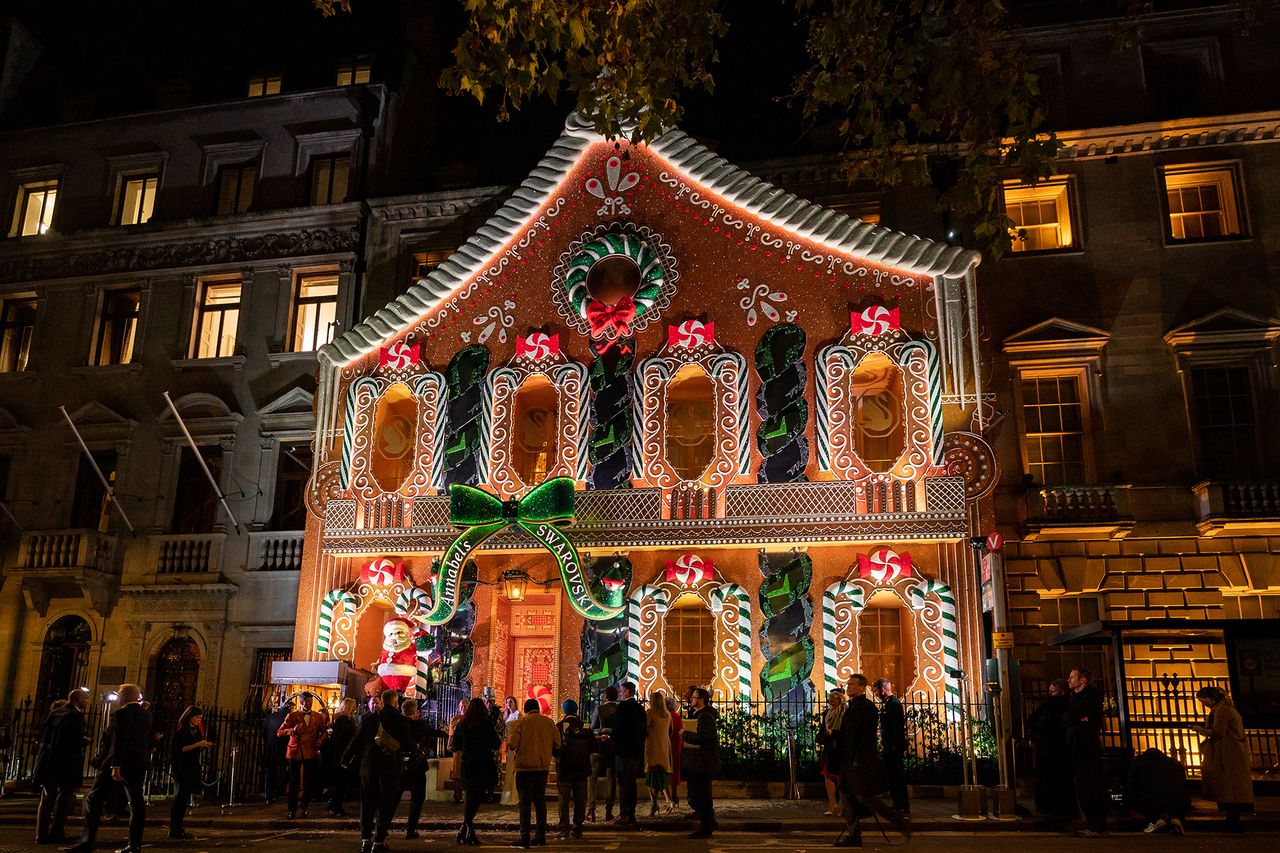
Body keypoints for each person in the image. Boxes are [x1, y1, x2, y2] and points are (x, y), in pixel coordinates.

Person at [66, 683, 152, 853]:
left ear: (126, 696)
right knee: (136, 804)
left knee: (94, 798)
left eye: (120, 694)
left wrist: (116, 766)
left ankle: (87, 841)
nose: (117, 697)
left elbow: (119, 742)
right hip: (138, 763)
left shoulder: (120, 714)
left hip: (118, 763)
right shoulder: (146, 715)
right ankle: (135, 845)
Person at [343, 688, 413, 853]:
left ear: (383, 701)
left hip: (369, 767)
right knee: (385, 804)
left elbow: (357, 739)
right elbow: (407, 742)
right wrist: (416, 749)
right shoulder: (400, 720)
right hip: (390, 767)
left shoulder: (369, 719)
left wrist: (346, 757)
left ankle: (365, 838)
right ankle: (379, 840)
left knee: (367, 804)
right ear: (395, 702)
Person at [1191, 685, 1253, 832]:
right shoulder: (1226, 708)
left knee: (1227, 786)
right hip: (1229, 752)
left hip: (1226, 753)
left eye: (1203, 699)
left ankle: (1233, 821)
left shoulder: (1221, 710)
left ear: (1211, 698)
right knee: (1230, 787)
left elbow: (1218, 731)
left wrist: (1200, 730)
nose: (1203, 703)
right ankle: (1232, 820)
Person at [35, 689, 89, 844]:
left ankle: (41, 834)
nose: (87, 701)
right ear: (78, 699)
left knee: (46, 798)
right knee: (64, 798)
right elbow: (76, 740)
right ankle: (57, 832)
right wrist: (85, 741)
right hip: (67, 762)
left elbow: (44, 735)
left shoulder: (54, 713)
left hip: (49, 760)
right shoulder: (76, 716)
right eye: (85, 698)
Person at [506, 697, 561, 848]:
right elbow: (558, 742)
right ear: (538, 708)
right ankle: (540, 836)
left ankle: (524, 837)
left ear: (525, 709)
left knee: (525, 804)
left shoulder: (521, 722)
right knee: (540, 802)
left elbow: (512, 744)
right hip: (542, 768)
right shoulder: (549, 722)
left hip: (524, 769)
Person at [1064, 667, 1108, 837]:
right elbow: (1067, 717)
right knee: (1082, 786)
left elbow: (1071, 716)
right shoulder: (1074, 697)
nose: (1068, 680)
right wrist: (1076, 719)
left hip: (1086, 746)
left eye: (1072, 677)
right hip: (1076, 745)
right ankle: (1092, 822)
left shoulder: (1090, 697)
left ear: (1083, 680)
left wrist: (1076, 719)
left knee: (1090, 785)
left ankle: (1098, 825)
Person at [453, 697, 501, 845]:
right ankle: (469, 830)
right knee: (476, 797)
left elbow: (456, 744)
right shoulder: (485, 724)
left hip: (468, 764)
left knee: (470, 796)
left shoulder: (462, 724)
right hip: (482, 764)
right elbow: (496, 742)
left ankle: (464, 829)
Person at [1028, 679, 1074, 820]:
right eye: (1050, 691)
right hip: (1047, 746)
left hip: (1055, 747)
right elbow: (1034, 720)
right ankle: (1050, 807)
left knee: (1056, 779)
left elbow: (1046, 722)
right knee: (1049, 779)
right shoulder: (1050, 704)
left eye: (1053, 691)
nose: (1050, 693)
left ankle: (1056, 808)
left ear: (1061, 691)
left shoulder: (1062, 704)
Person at [401, 698, 446, 839]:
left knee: (393, 797)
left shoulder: (399, 724)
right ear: (414, 711)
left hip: (400, 763)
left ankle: (381, 830)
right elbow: (434, 733)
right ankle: (410, 829)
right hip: (417, 764)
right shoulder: (419, 725)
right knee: (418, 797)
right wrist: (445, 731)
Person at [278, 693, 328, 819]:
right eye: (307, 702)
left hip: (310, 751)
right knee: (293, 782)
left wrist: (320, 740)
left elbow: (324, 731)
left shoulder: (317, 716)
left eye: (311, 702)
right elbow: (280, 732)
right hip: (295, 751)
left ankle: (305, 803)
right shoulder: (292, 716)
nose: (309, 704)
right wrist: (292, 730)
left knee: (310, 781)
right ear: (301, 702)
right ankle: (292, 809)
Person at [168, 705, 213, 840]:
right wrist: (197, 745)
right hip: (182, 767)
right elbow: (179, 749)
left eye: (200, 718)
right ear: (190, 717)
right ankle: (174, 828)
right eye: (197, 717)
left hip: (192, 766)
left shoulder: (195, 731)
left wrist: (203, 745)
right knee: (180, 798)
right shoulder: (182, 731)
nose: (199, 720)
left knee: (185, 798)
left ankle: (178, 827)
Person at [680, 687, 720, 839]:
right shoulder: (699, 715)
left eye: (694, 697)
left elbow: (704, 738)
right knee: (701, 795)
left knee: (703, 796)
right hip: (698, 763)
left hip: (704, 763)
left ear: (702, 700)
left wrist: (686, 734)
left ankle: (706, 828)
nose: (691, 699)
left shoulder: (705, 717)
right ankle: (710, 822)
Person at [1126, 747, 1190, 834]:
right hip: (1179, 803)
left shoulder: (1139, 763)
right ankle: (1175, 819)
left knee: (1146, 800)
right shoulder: (1175, 763)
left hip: (1152, 802)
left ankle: (1155, 820)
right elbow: (1183, 785)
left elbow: (1132, 786)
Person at [554, 699, 593, 839]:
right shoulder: (586, 726)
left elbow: (554, 748)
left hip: (564, 769)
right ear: (576, 710)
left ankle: (563, 828)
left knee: (563, 800)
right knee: (580, 799)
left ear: (564, 711)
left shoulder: (558, 726)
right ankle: (578, 828)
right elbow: (593, 746)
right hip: (581, 769)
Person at [611, 681, 647, 828]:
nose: (620, 693)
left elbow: (617, 729)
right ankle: (631, 813)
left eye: (622, 691)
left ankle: (625, 813)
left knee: (623, 784)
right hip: (636, 752)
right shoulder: (640, 709)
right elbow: (644, 730)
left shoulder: (623, 707)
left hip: (623, 752)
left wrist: (614, 741)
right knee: (631, 784)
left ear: (627, 692)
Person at [873, 679, 909, 818]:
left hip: (894, 747)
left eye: (876, 691)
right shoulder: (888, 704)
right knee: (892, 778)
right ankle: (897, 804)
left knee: (897, 777)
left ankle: (903, 806)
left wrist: (893, 746)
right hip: (890, 746)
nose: (875, 694)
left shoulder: (894, 704)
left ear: (882, 689)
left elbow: (897, 728)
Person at [588, 685, 619, 822]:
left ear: (605, 696)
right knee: (611, 778)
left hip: (599, 746)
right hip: (613, 747)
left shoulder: (600, 709)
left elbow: (593, 727)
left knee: (592, 778)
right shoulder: (619, 710)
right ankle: (609, 809)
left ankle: (591, 809)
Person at [325, 698, 359, 817]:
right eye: (354, 706)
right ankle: (335, 806)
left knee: (343, 783)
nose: (355, 708)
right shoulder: (343, 721)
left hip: (346, 755)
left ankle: (335, 805)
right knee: (341, 783)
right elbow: (339, 741)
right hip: (343, 756)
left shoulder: (348, 720)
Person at [644, 690, 673, 816]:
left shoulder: (649, 713)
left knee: (651, 777)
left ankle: (653, 804)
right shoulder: (668, 715)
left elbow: (644, 729)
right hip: (664, 747)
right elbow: (670, 731)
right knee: (663, 776)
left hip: (653, 747)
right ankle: (668, 801)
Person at [818, 689, 846, 816]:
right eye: (830, 700)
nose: (831, 702)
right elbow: (823, 728)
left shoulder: (845, 712)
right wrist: (822, 736)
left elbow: (846, 730)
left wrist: (834, 733)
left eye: (834, 700)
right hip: (829, 747)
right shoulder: (827, 713)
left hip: (840, 747)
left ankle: (842, 805)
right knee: (828, 775)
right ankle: (832, 803)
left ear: (840, 700)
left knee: (841, 776)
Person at [262, 700, 292, 804]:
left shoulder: (270, 717)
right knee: (291, 772)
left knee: (270, 773)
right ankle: (279, 790)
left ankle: (269, 796)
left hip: (270, 748)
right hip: (284, 748)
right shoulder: (290, 717)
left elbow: (264, 734)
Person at [448, 698, 468, 804]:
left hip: (467, 747)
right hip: (458, 747)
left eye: (465, 706)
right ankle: (457, 794)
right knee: (457, 772)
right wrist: (449, 744)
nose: (463, 708)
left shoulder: (470, 718)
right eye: (462, 706)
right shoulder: (455, 719)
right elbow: (451, 733)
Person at [665, 695, 683, 808]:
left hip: (668, 746)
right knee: (674, 770)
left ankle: (670, 798)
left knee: (666, 771)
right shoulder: (676, 716)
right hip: (676, 747)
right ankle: (674, 795)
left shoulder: (667, 716)